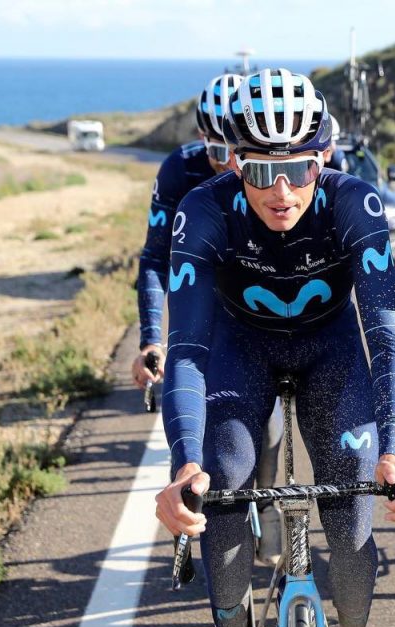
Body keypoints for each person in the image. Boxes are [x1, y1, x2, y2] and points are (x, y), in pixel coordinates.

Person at [152, 68, 395, 627]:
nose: (281, 191)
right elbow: (187, 350)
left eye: (300, 169)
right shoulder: (202, 209)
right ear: (234, 164)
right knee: (221, 479)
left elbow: (384, 334)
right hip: (240, 347)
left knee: (355, 490)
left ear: (324, 158)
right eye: (260, 171)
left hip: (328, 349)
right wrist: (184, 464)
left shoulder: (354, 202)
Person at [131, 74, 288, 565]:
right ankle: (219, 516)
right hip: (205, 295)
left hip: (261, 293)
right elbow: (156, 259)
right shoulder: (180, 172)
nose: (229, 162)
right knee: (218, 415)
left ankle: (269, 500)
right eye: (218, 149)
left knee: (269, 423)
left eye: (235, 149)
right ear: (202, 139)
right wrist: (151, 339)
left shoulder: (265, 166)